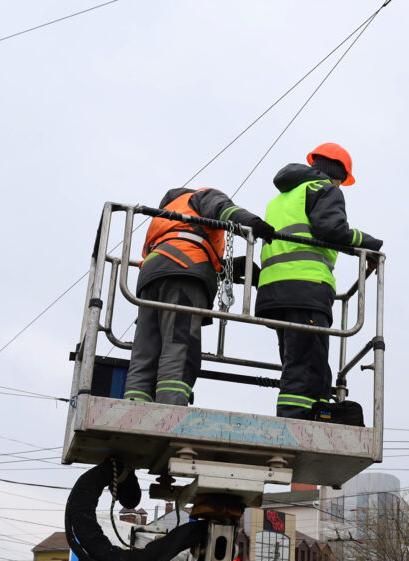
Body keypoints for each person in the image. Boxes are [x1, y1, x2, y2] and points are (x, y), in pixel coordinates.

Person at [255, 142, 383, 421]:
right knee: (306, 363)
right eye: (341, 180)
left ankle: (313, 413)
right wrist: (370, 245)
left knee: (299, 361)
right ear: (336, 173)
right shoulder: (324, 189)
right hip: (306, 287)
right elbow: (332, 230)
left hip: (274, 291)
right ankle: (296, 421)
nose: (340, 186)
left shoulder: (281, 198)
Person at [123, 187, 274, 405]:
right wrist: (252, 223)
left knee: (146, 350)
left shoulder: (167, 213)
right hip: (183, 270)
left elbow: (188, 240)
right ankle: (170, 409)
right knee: (179, 344)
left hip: (151, 274)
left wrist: (230, 267)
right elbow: (223, 210)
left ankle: (134, 406)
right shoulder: (200, 196)